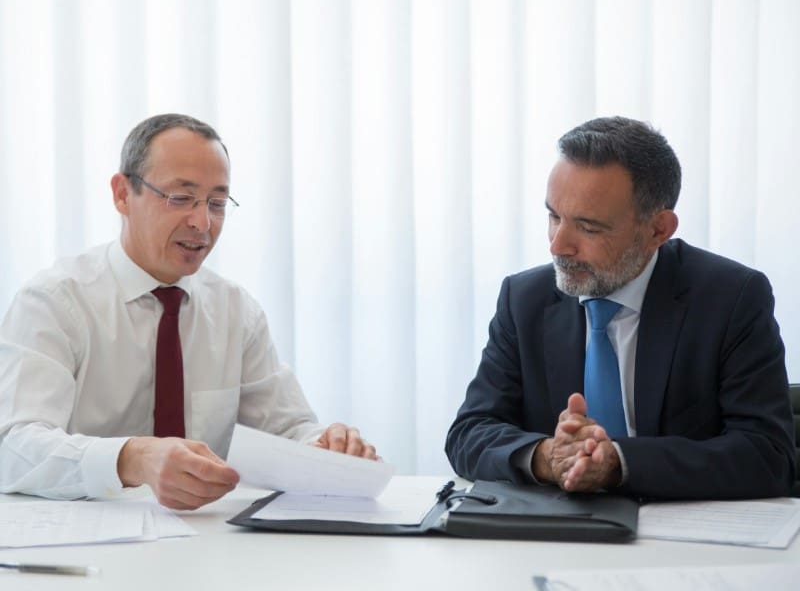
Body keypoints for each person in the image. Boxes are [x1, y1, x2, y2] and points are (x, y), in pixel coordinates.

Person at [0, 114, 378, 510]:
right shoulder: (56, 301)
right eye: (180, 198)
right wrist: (131, 458)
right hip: (88, 546)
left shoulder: (236, 311)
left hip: (208, 545)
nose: (203, 223)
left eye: (217, 203)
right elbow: (14, 445)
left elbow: (286, 429)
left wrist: (327, 446)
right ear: (122, 194)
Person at [445, 116, 795, 500]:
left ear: (658, 230)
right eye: (553, 217)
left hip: (680, 542)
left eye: (588, 227)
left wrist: (619, 462)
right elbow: (469, 432)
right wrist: (546, 457)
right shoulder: (524, 299)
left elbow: (768, 455)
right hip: (553, 537)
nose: (558, 246)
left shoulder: (731, 298)